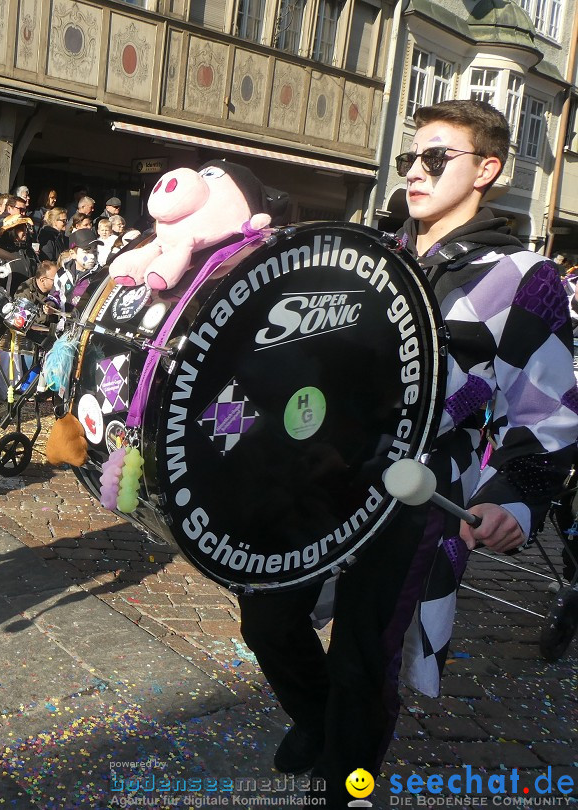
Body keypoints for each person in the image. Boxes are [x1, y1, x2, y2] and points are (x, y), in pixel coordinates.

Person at [236, 99, 578, 806]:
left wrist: (517, 492)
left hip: (415, 492)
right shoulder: (371, 252)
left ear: (488, 169)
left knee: (366, 660)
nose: (416, 173)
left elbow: (549, 405)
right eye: (410, 159)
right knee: (266, 616)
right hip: (323, 478)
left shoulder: (523, 276)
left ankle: (345, 786)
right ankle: (317, 719)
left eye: (436, 158)